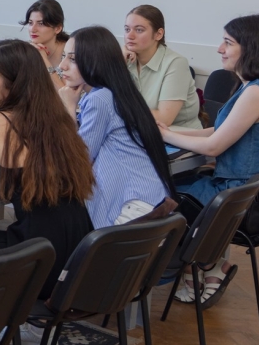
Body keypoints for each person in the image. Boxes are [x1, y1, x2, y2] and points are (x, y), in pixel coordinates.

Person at [161, 14, 259, 306]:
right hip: (253, 190)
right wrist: (167, 131)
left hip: (240, 196)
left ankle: (196, 266)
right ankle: (208, 266)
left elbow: (213, 146)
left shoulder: (256, 93)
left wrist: (164, 134)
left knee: (162, 196)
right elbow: (217, 131)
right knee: (180, 183)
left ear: (251, 48)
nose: (219, 49)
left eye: (228, 42)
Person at [0, 40, 94, 313]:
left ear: (14, 84)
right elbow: (24, 179)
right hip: (80, 259)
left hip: (39, 263)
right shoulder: (54, 119)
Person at [57, 26, 176, 227]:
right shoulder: (116, 91)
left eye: (73, 59)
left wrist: (69, 107)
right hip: (151, 203)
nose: (62, 65)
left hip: (132, 211)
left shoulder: (99, 99)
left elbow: (78, 159)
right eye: (63, 56)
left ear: (96, 61)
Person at [124, 5, 202, 128]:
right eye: (127, 29)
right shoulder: (126, 60)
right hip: (138, 131)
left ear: (158, 34)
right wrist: (118, 63)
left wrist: (117, 109)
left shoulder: (176, 63)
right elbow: (98, 99)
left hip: (178, 136)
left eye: (139, 30)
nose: (130, 36)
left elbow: (163, 119)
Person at [20, 0, 69, 89]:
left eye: (41, 24)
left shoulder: (71, 53)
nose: (33, 29)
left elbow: (64, 94)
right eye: (30, 23)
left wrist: (44, 59)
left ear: (58, 28)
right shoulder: (26, 49)